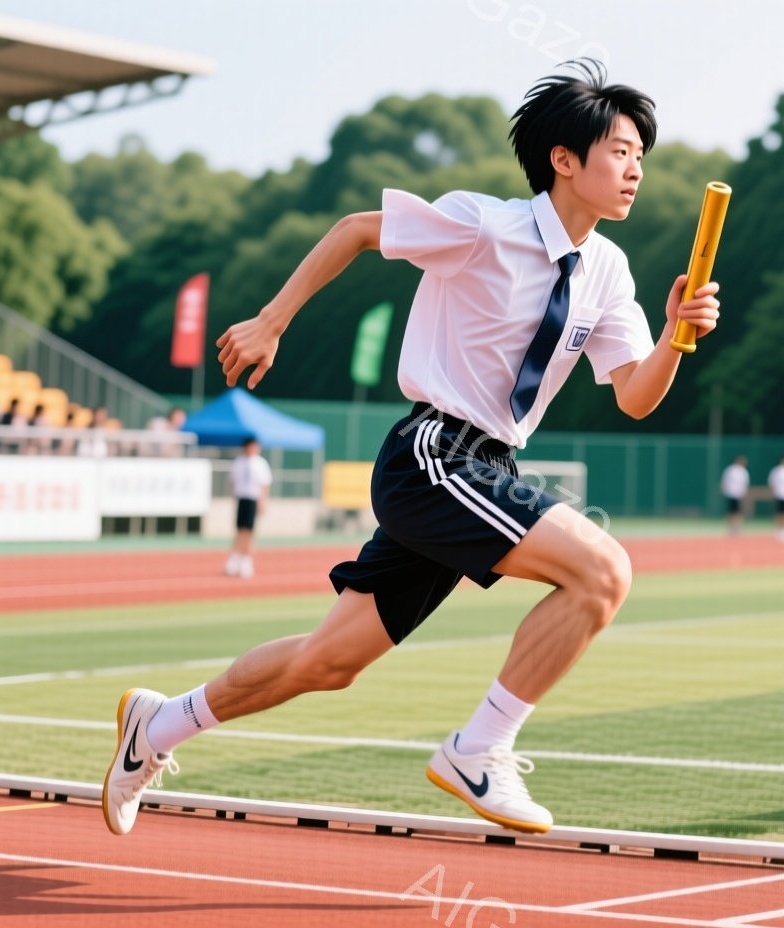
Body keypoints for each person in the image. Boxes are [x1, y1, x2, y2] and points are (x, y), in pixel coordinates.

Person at [102, 60, 719, 837]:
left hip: (488, 469)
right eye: (621, 151)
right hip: (433, 454)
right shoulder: (485, 224)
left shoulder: (608, 272)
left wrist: (675, 338)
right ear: (564, 160)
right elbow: (357, 230)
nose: (635, 170)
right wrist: (270, 321)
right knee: (604, 572)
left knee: (327, 663)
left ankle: (156, 728)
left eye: (640, 156)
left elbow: (634, 393)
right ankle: (479, 748)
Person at [227, 436, 274, 577]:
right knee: (240, 529)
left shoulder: (260, 463)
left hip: (253, 499)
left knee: (249, 531)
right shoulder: (239, 462)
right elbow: (233, 482)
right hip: (242, 498)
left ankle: (246, 560)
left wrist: (262, 502)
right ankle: (235, 558)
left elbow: (264, 484)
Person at [721, 455, 750, 536]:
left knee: (739, 512)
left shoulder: (743, 471)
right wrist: (725, 490)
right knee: (731, 512)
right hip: (731, 494)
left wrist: (744, 494)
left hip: (740, 494)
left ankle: (738, 528)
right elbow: (725, 481)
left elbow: (745, 484)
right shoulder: (730, 470)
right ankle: (730, 528)